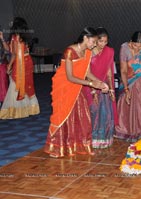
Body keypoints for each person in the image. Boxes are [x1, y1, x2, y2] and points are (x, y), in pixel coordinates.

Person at [44, 27, 109, 158]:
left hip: (77, 87)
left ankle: (79, 145)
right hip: (64, 87)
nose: (94, 45)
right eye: (93, 41)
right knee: (64, 116)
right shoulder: (70, 51)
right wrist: (91, 84)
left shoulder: (88, 52)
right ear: (85, 38)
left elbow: (87, 73)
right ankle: (58, 147)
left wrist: (101, 83)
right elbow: (70, 77)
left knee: (82, 115)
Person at [114, 31, 141, 142]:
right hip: (127, 80)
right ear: (131, 42)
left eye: (140, 46)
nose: (137, 49)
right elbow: (123, 70)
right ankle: (125, 131)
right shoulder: (124, 48)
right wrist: (126, 89)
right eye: (135, 46)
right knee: (126, 105)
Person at [82, 27, 118, 149]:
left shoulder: (109, 51)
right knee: (93, 111)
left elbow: (109, 71)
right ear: (95, 40)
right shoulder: (88, 52)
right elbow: (86, 73)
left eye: (105, 41)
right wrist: (93, 91)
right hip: (89, 86)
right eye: (100, 41)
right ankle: (91, 138)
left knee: (105, 113)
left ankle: (103, 139)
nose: (103, 44)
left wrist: (111, 89)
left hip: (103, 86)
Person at [0, 17, 40, 119]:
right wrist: (2, 39)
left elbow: (13, 54)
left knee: (16, 83)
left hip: (20, 63)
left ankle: (17, 111)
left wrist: (9, 65)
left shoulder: (15, 37)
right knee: (27, 83)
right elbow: (9, 49)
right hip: (28, 61)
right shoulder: (25, 36)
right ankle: (31, 108)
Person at [0, 30, 9, 106]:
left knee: (3, 84)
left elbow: (7, 49)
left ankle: (3, 101)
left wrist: (2, 38)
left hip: (1, 64)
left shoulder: (2, 39)